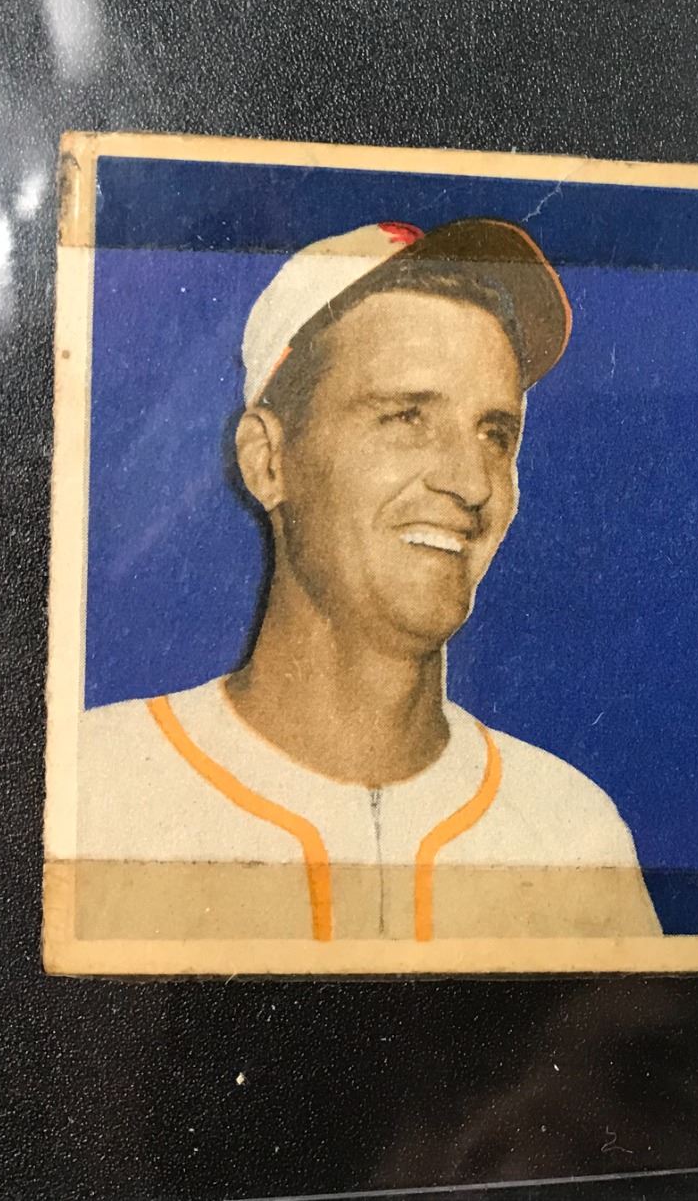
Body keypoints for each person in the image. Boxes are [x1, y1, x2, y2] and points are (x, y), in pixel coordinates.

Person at [74, 218, 662, 943]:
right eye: (407, 416)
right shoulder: (96, 791)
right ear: (267, 461)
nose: (471, 482)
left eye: (495, 434)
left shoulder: (574, 834)